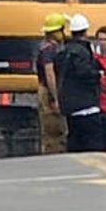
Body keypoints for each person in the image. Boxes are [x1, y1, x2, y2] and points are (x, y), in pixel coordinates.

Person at [56, 13, 106, 152]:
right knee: (93, 144)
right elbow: (83, 72)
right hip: (86, 105)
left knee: (75, 143)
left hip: (70, 107)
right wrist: (99, 74)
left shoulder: (65, 50)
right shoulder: (82, 51)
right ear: (85, 32)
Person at [35, 13, 68, 154]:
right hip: (48, 93)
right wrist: (55, 97)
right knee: (54, 130)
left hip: (46, 91)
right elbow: (50, 74)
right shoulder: (50, 50)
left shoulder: (45, 47)